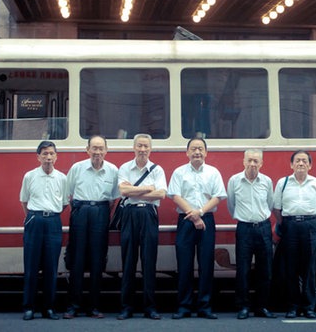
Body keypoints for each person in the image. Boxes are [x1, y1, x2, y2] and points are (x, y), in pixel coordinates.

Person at [169, 137, 227, 320]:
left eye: (201, 149)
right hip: (186, 220)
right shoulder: (179, 172)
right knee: (184, 265)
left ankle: (205, 306)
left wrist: (200, 212)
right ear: (187, 152)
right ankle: (184, 306)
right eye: (193, 149)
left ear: (206, 153)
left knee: (206, 264)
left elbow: (218, 196)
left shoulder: (213, 172)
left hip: (207, 219)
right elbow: (175, 195)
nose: (197, 152)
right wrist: (193, 215)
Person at [63, 135, 119, 319]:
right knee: (77, 259)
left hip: (101, 212)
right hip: (80, 211)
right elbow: (68, 194)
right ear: (87, 150)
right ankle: (73, 306)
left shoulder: (112, 170)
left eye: (100, 148)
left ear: (106, 150)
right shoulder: (77, 168)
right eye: (94, 148)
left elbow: (113, 200)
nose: (97, 152)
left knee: (97, 260)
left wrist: (99, 212)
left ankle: (94, 306)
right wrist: (81, 210)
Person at [116, 133, 167, 320]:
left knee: (149, 261)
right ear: (134, 147)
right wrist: (148, 188)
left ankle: (150, 307)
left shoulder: (157, 169)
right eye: (139, 146)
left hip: (148, 214)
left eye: (146, 146)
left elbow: (161, 194)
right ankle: (126, 307)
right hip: (129, 215)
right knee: (128, 262)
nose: (143, 149)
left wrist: (134, 192)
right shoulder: (124, 168)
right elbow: (123, 191)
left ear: (150, 149)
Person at [272, 150, 316, 319]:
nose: (301, 163)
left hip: (310, 225)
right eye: (297, 161)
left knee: (309, 268)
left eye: (304, 161)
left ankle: (309, 307)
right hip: (290, 226)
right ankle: (293, 307)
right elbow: (276, 208)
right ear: (291, 165)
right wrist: (287, 223)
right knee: (291, 268)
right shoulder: (283, 183)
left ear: (310, 165)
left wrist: (308, 221)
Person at [20, 140, 68, 321]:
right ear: (38, 157)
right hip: (34, 220)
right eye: (45, 154)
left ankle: (48, 308)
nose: (48, 157)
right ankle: (29, 307)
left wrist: (50, 214)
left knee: (51, 267)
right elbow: (24, 200)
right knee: (31, 266)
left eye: (51, 154)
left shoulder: (62, 178)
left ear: (56, 156)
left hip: (53, 222)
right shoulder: (29, 176)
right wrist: (36, 215)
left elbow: (64, 203)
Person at [227, 149, 276, 320]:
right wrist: (243, 218)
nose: (253, 164)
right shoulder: (234, 181)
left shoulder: (267, 181)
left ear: (261, 163)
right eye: (250, 160)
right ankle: (243, 306)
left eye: (256, 161)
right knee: (243, 269)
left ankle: (262, 306)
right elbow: (231, 204)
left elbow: (270, 203)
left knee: (265, 270)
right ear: (243, 161)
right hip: (244, 229)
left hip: (263, 228)